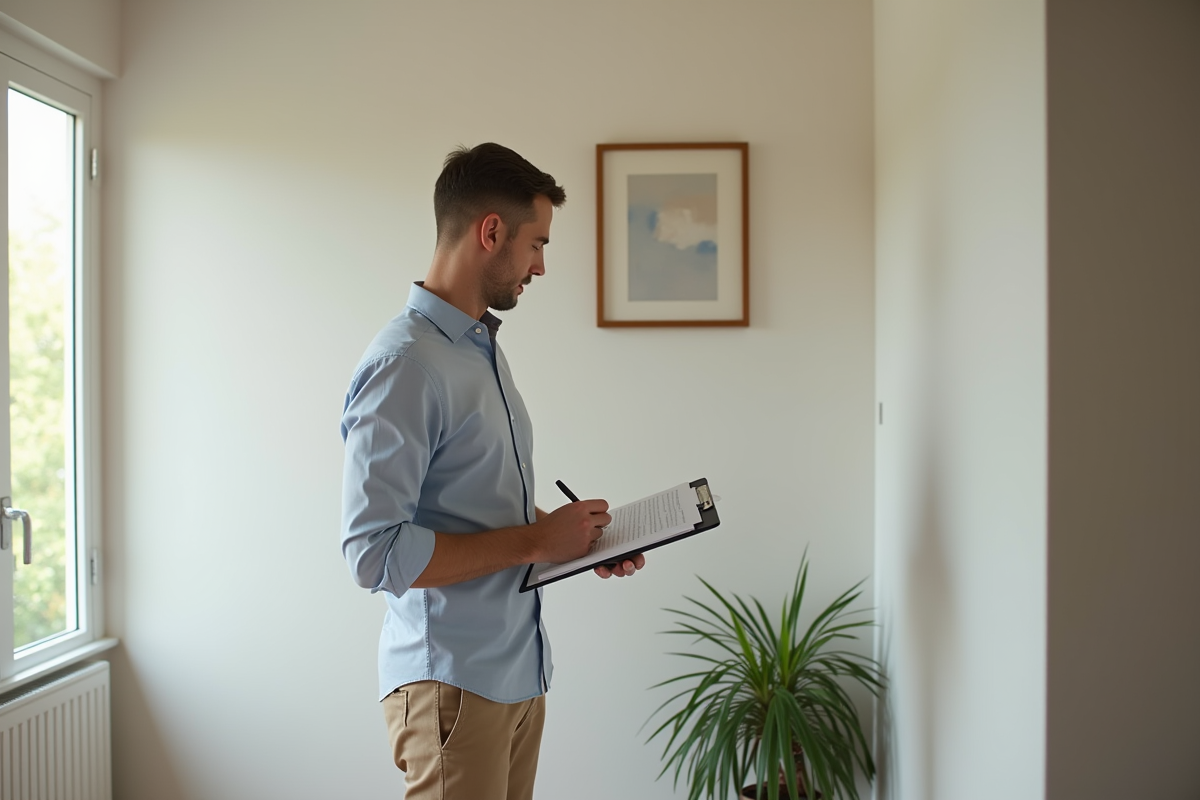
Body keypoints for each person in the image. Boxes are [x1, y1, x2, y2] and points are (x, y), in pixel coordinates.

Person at [340, 142, 645, 800]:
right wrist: (537, 541)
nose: (540, 265)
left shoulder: (478, 349)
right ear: (491, 232)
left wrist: (573, 537)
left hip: (515, 678)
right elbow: (373, 553)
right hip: (451, 687)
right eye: (537, 243)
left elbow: (477, 503)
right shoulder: (405, 365)